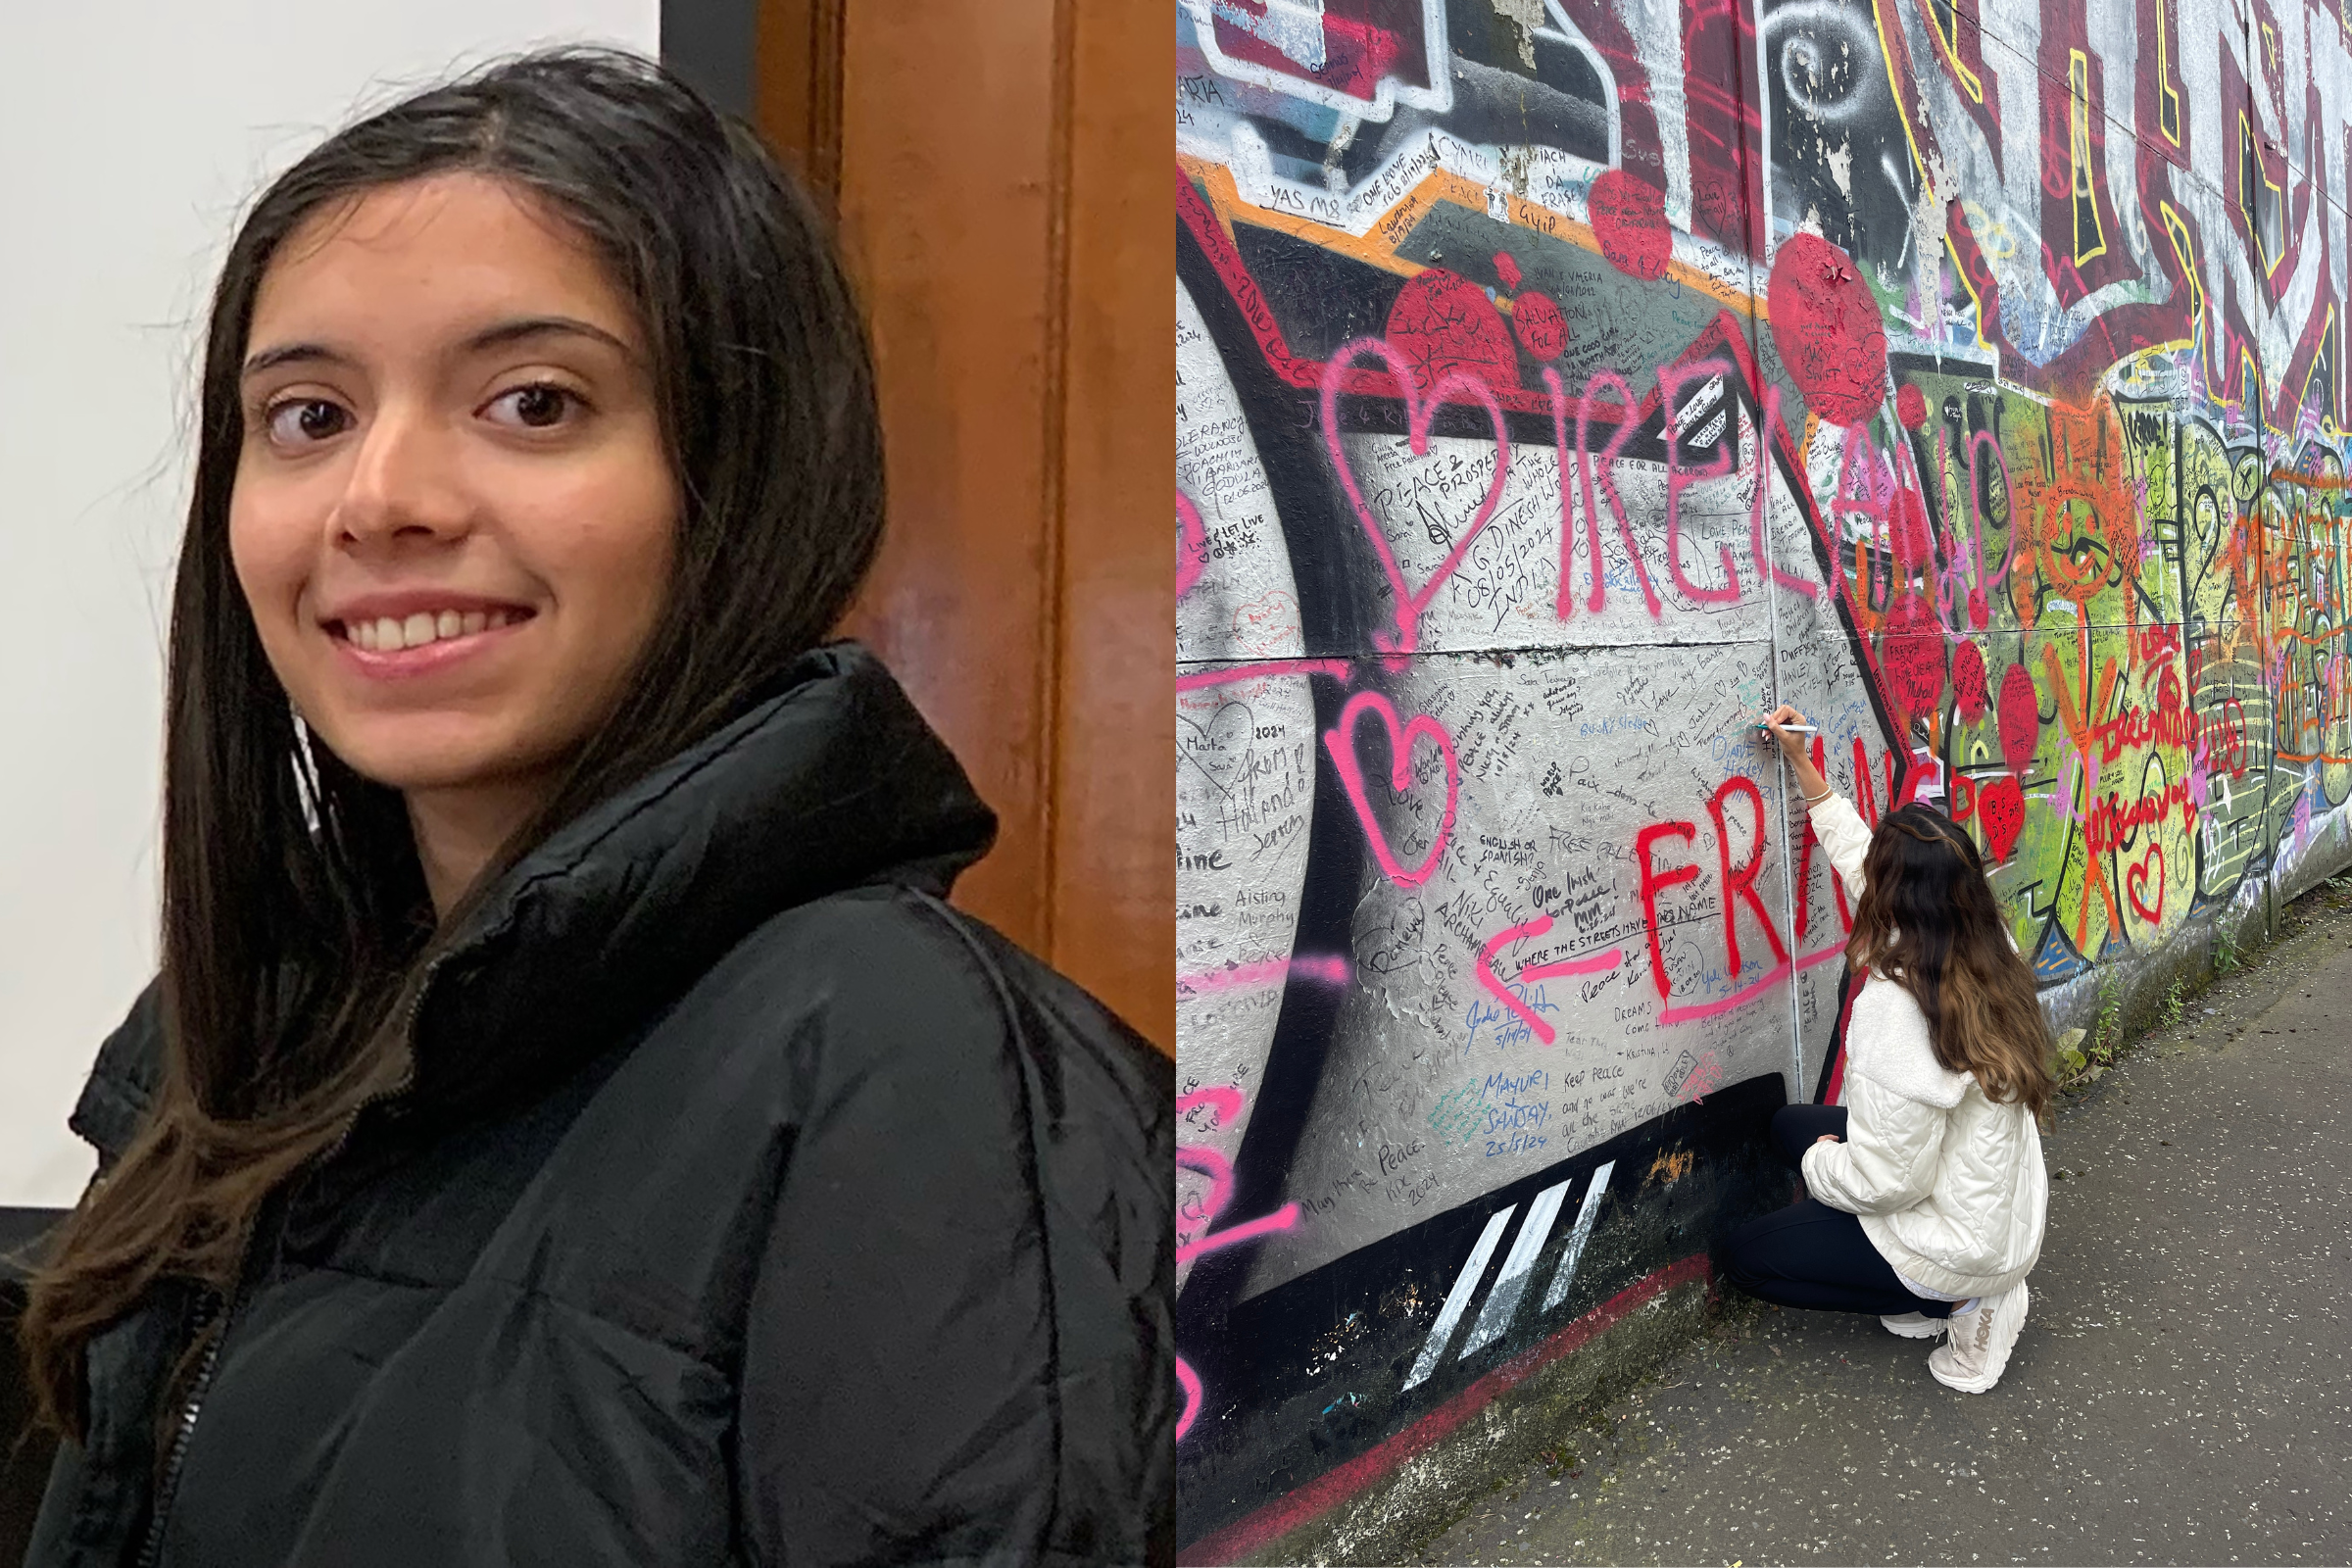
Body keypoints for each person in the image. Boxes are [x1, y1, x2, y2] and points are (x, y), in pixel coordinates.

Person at [16, 48, 1173, 1566]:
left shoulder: (901, 1063)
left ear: (738, 475)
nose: (381, 496)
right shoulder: (233, 1027)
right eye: (306, 416)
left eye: (533, 401)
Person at [1719, 704, 2051, 1395]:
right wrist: (1808, 768)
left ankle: (1956, 1304)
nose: (1867, 877)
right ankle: (1929, 1285)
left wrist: (1820, 1168)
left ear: (1900, 899)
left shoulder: (1899, 1012)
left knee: (1746, 1257)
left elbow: (1887, 1182)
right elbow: (1860, 859)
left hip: (1960, 1245)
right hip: (1987, 1208)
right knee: (1789, 1125)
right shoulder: (1984, 947)